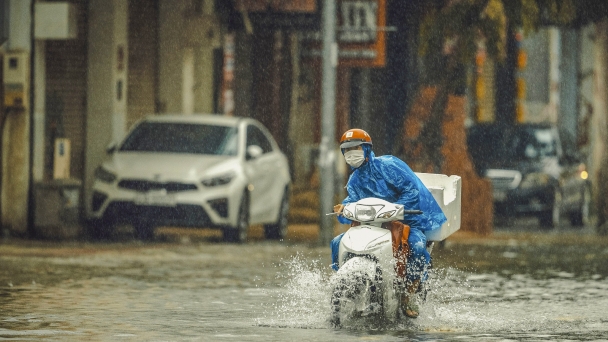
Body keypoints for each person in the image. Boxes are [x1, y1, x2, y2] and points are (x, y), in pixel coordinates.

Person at [331, 128, 446, 318]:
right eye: (347, 149)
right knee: (337, 242)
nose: (352, 153)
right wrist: (344, 208)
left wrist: (394, 209)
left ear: (367, 149)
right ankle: (337, 283)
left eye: (356, 147)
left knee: (416, 247)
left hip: (407, 221)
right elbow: (351, 201)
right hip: (372, 225)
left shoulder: (390, 165)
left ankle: (408, 295)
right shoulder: (355, 180)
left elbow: (412, 192)